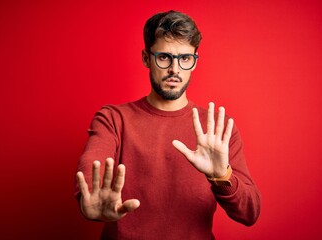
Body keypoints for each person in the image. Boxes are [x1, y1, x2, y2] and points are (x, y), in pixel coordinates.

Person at [75, 10, 261, 240]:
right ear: (146, 58)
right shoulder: (113, 119)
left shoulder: (217, 132)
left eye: (185, 58)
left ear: (194, 62)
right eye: (164, 57)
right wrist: (90, 202)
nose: (175, 69)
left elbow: (249, 213)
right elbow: (92, 168)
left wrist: (222, 176)